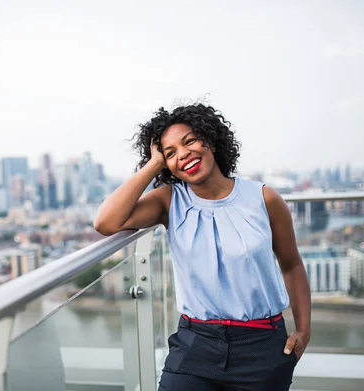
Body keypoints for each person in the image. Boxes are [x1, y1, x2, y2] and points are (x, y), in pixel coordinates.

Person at [94, 104, 311, 390]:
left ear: (210, 139)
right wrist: (154, 163)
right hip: (195, 344)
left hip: (262, 346)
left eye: (189, 141)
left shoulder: (264, 198)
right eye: (170, 153)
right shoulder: (169, 201)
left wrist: (304, 330)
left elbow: (292, 264)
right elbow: (105, 221)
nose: (182, 154)